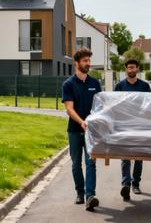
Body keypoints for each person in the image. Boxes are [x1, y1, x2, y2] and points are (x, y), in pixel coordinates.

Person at [61, 48, 102, 211]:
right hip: (74, 130)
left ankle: (90, 195)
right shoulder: (68, 84)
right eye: (85, 61)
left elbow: (100, 106)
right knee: (76, 164)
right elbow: (69, 109)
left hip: (91, 131)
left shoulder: (95, 84)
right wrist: (81, 122)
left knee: (91, 162)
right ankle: (80, 191)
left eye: (89, 60)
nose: (88, 63)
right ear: (76, 63)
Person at [114, 59, 151, 201]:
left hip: (141, 125)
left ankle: (136, 183)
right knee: (125, 156)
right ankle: (126, 184)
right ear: (126, 70)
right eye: (129, 67)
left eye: (133, 67)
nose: (131, 70)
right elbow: (115, 105)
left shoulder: (144, 86)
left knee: (139, 157)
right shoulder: (119, 86)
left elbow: (150, 105)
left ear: (137, 69)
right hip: (124, 125)